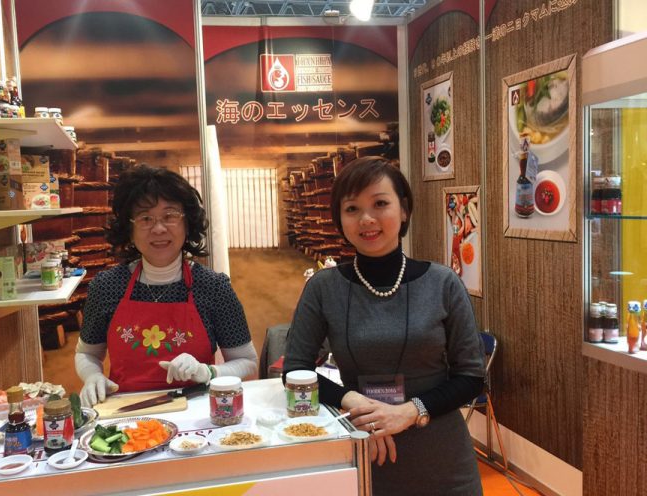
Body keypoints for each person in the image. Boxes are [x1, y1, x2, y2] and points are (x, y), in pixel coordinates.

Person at [284, 156, 485, 495]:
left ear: (403, 210)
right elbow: (295, 371)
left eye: (380, 204)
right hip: (364, 446)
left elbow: (472, 377)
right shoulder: (324, 288)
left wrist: (409, 412)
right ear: (340, 219)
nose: (366, 219)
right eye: (352, 209)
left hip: (442, 456)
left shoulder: (442, 283)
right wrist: (356, 404)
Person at [76, 165, 257, 407]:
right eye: (145, 218)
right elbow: (87, 353)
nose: (159, 228)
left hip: (196, 411)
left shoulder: (213, 287)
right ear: (129, 229)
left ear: (187, 224)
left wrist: (208, 372)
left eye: (170, 216)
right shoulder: (107, 286)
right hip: (126, 411)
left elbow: (247, 361)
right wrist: (92, 376)